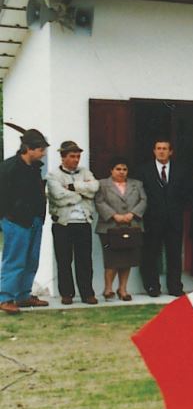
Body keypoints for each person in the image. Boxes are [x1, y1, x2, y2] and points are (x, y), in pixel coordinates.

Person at [0, 128, 50, 314]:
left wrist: (40, 217)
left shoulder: (34, 168)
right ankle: (5, 298)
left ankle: (23, 295)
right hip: (15, 222)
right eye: (41, 149)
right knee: (14, 260)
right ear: (29, 149)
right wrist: (8, 216)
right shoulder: (8, 167)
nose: (43, 153)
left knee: (31, 260)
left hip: (34, 220)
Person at [46, 140, 99, 305]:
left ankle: (87, 293)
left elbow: (95, 188)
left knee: (85, 260)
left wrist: (71, 186)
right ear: (63, 157)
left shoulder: (85, 172)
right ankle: (67, 293)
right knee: (64, 259)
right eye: (72, 156)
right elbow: (57, 195)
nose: (76, 159)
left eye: (78, 156)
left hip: (83, 221)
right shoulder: (53, 175)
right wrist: (80, 193)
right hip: (63, 223)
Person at [139, 138, 187, 297]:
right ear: (154, 151)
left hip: (174, 219)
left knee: (174, 254)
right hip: (152, 219)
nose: (161, 151)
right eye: (158, 148)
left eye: (165, 148)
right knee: (151, 254)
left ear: (170, 151)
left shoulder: (181, 170)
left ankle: (175, 287)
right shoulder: (144, 170)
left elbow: (185, 194)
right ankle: (152, 287)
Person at [95, 161, 147, 301]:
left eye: (124, 169)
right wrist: (114, 215)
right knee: (111, 259)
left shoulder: (137, 184)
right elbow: (99, 201)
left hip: (131, 224)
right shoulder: (102, 184)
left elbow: (143, 200)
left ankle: (123, 289)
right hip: (109, 226)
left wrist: (132, 214)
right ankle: (108, 288)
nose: (121, 172)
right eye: (118, 169)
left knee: (127, 259)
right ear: (111, 170)